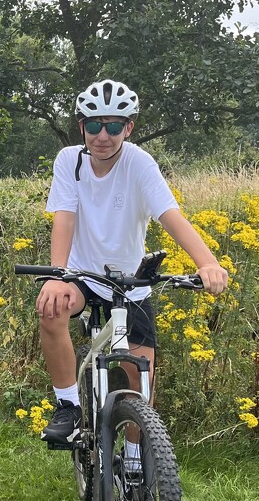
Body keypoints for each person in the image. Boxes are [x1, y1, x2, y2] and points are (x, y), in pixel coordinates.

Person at [36, 79, 228, 448]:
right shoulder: (69, 161)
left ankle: (137, 455)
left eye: (113, 125)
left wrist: (208, 263)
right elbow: (65, 217)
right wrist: (58, 275)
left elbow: (171, 216)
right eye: (93, 125)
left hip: (129, 282)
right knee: (50, 309)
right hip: (81, 274)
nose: (102, 135)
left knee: (140, 377)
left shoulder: (138, 162)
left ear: (129, 128)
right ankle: (69, 407)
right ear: (81, 128)